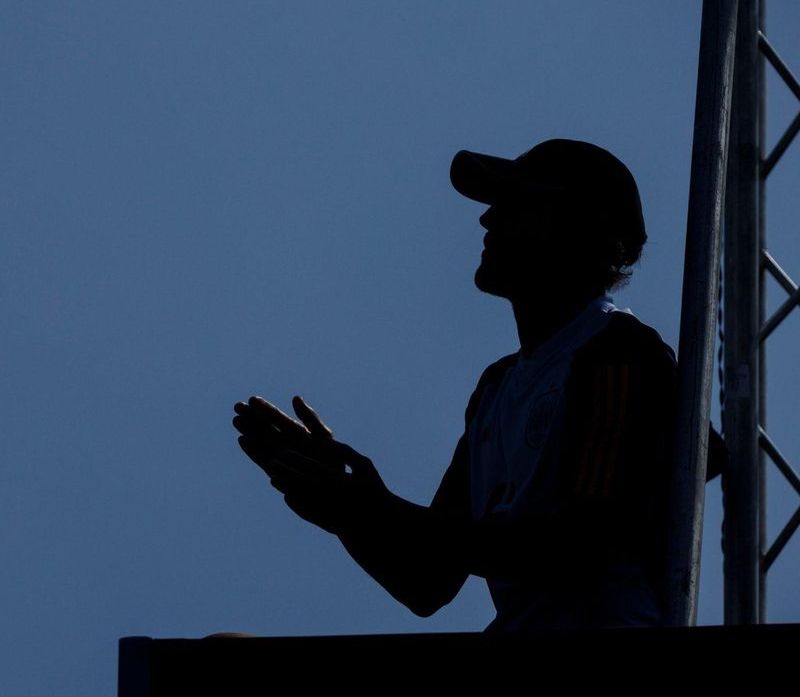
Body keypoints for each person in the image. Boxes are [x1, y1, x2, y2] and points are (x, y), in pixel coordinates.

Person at [232, 139, 722, 632]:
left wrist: (372, 507)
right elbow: (427, 580)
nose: (487, 220)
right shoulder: (497, 387)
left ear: (575, 229)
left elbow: (576, 547)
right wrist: (342, 508)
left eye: (515, 203)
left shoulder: (621, 356)